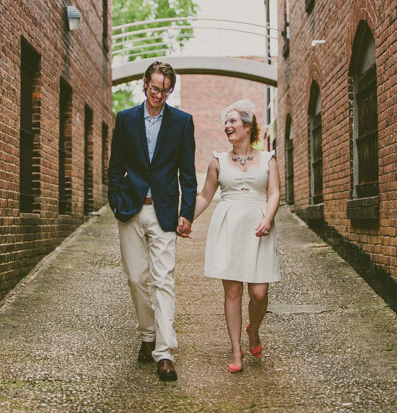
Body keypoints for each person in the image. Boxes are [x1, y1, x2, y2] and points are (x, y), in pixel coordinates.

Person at [107, 61, 196, 381]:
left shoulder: (182, 122)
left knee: (163, 280)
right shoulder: (126, 119)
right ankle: (147, 335)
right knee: (136, 277)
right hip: (131, 209)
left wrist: (186, 213)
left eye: (166, 90)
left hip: (164, 212)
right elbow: (115, 167)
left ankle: (164, 351)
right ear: (144, 84)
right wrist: (116, 203)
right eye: (155, 88)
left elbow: (188, 173)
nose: (159, 95)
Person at [191, 98, 280, 373]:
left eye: (232, 121)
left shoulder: (267, 158)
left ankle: (253, 331)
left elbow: (274, 192)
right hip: (228, 226)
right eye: (225, 122)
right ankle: (235, 351)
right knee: (233, 292)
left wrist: (268, 218)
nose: (227, 126)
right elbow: (205, 196)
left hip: (258, 228)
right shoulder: (218, 160)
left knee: (259, 293)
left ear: (247, 125)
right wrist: (183, 220)